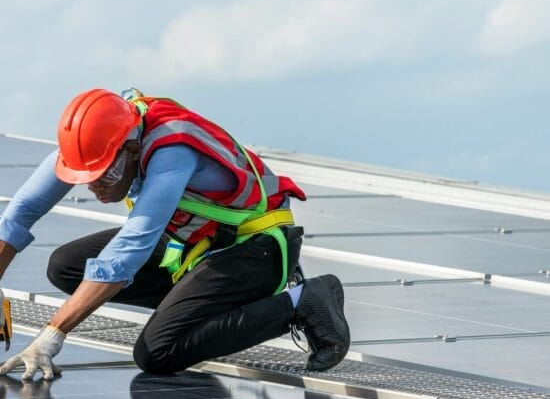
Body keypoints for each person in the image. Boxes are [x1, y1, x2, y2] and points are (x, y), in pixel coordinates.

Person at [0, 88, 350, 380]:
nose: (94, 187)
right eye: (84, 178)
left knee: (157, 352)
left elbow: (130, 248)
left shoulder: (172, 151)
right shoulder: (99, 141)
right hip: (198, 243)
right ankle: (197, 306)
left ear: (133, 150)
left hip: (257, 246)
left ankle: (302, 302)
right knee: (65, 266)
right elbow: (21, 211)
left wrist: (53, 333)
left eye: (103, 176)